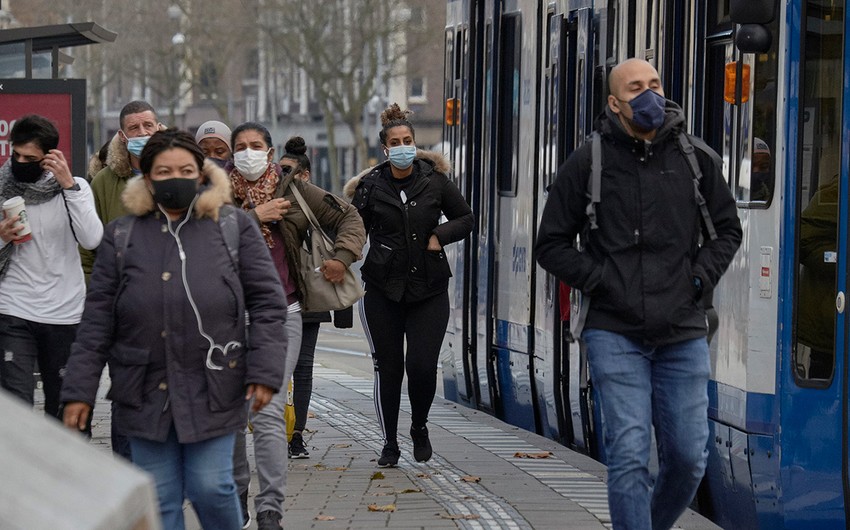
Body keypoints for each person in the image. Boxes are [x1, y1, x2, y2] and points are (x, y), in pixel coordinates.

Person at [535, 58, 742, 530]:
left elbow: (728, 230)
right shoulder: (588, 162)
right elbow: (551, 244)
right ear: (614, 103)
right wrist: (603, 281)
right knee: (629, 452)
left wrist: (697, 280)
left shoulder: (695, 158)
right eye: (635, 88)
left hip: (682, 329)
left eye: (654, 84)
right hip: (613, 329)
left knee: (688, 458)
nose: (649, 95)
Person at [61, 128, 289, 530]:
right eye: (164, 172)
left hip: (215, 385)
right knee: (159, 500)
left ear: (201, 174)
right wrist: (79, 391)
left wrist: (264, 372)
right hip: (143, 390)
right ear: (147, 179)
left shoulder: (233, 227)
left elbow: (268, 305)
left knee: (211, 486)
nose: (176, 179)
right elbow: (97, 320)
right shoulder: (121, 236)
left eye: (186, 170)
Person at [228, 123, 365, 530]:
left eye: (256, 146)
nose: (248, 153)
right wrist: (253, 217)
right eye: (240, 147)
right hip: (226, 319)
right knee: (232, 415)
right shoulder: (214, 193)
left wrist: (342, 257)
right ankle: (236, 498)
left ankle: (270, 510)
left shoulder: (296, 191)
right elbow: (201, 240)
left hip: (280, 314)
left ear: (270, 153)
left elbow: (350, 217)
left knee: (267, 410)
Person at [346, 103, 473, 468]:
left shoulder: (435, 181)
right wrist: (342, 259)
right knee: (389, 369)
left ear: (415, 144)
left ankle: (419, 425)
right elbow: (354, 230)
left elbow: (466, 218)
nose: (402, 147)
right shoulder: (370, 187)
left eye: (407, 141)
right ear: (385, 149)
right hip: (382, 290)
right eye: (395, 142)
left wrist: (438, 236)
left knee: (421, 365)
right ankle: (389, 442)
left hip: (429, 288)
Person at [0, 115, 103, 420]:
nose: (20, 163)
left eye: (30, 158)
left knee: (62, 407)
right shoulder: (2, 188)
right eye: (16, 155)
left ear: (49, 157)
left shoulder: (75, 188)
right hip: (13, 307)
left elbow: (92, 238)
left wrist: (69, 185)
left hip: (64, 310)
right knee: (15, 405)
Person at [277, 136, 355, 460]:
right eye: (280, 171)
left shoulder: (314, 201)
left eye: (289, 172)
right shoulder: (269, 199)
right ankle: (275, 430)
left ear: (305, 175)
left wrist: (343, 307)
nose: (283, 177)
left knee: (303, 366)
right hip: (278, 294)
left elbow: (340, 235)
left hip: (309, 293)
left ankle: (296, 436)